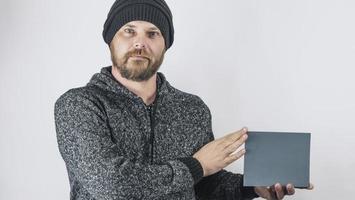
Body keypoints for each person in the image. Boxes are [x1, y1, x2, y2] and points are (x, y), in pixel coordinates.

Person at [54, 0, 313, 199]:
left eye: (152, 33)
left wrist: (252, 186)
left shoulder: (192, 109)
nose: (139, 44)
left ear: (165, 43)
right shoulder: (79, 105)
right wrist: (197, 165)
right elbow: (108, 185)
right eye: (128, 31)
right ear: (111, 39)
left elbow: (204, 185)